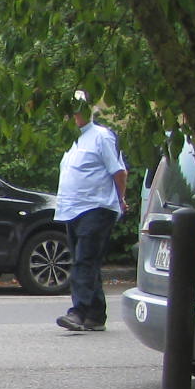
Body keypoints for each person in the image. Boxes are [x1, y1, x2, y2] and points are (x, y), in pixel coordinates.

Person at [54, 90, 128, 333]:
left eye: (77, 110)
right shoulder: (72, 140)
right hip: (72, 209)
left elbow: (119, 172)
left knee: (84, 261)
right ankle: (95, 315)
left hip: (96, 207)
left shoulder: (101, 136)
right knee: (86, 260)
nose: (72, 115)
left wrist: (120, 199)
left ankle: (78, 311)